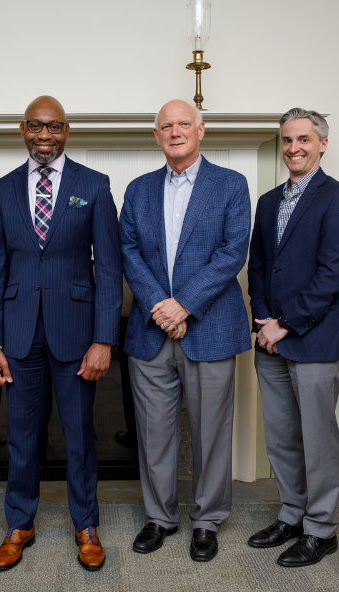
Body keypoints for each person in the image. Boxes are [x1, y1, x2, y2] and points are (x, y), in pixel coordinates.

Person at [0, 95, 122, 572]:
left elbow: (109, 266)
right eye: (37, 127)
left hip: (77, 335)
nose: (46, 136)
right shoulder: (1, 190)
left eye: (55, 127)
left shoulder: (94, 186)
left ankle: (86, 524)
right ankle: (19, 523)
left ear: (67, 131)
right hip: (19, 335)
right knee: (22, 437)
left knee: (81, 435)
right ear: (23, 129)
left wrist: (104, 338)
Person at [120, 99, 251, 562]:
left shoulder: (231, 186)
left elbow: (232, 253)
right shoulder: (137, 190)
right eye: (165, 126)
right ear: (156, 136)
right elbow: (129, 252)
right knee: (154, 432)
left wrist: (184, 305)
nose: (175, 132)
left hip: (210, 328)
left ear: (200, 130)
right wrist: (160, 306)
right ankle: (160, 517)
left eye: (183, 124)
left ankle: (208, 520)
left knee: (211, 432)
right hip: (150, 330)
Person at [247, 108, 339, 568]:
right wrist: (261, 321)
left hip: (311, 338)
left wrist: (285, 323)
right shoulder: (269, 200)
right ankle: (291, 515)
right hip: (270, 339)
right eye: (287, 140)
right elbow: (257, 266)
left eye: (303, 140)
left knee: (317, 440)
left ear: (322, 144)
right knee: (281, 438)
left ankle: (321, 529)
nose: (294, 147)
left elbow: (333, 275)